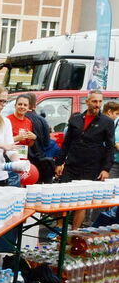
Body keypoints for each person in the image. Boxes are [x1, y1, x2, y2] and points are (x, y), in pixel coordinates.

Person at [55, 89, 115, 229]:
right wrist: (59, 163)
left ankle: (74, 232)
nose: (97, 104)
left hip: (91, 166)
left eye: (100, 101)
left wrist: (106, 169)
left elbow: (110, 147)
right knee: (63, 197)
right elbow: (66, 142)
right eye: (94, 101)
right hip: (72, 164)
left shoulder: (107, 122)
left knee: (82, 201)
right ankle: (59, 229)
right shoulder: (75, 119)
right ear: (87, 102)